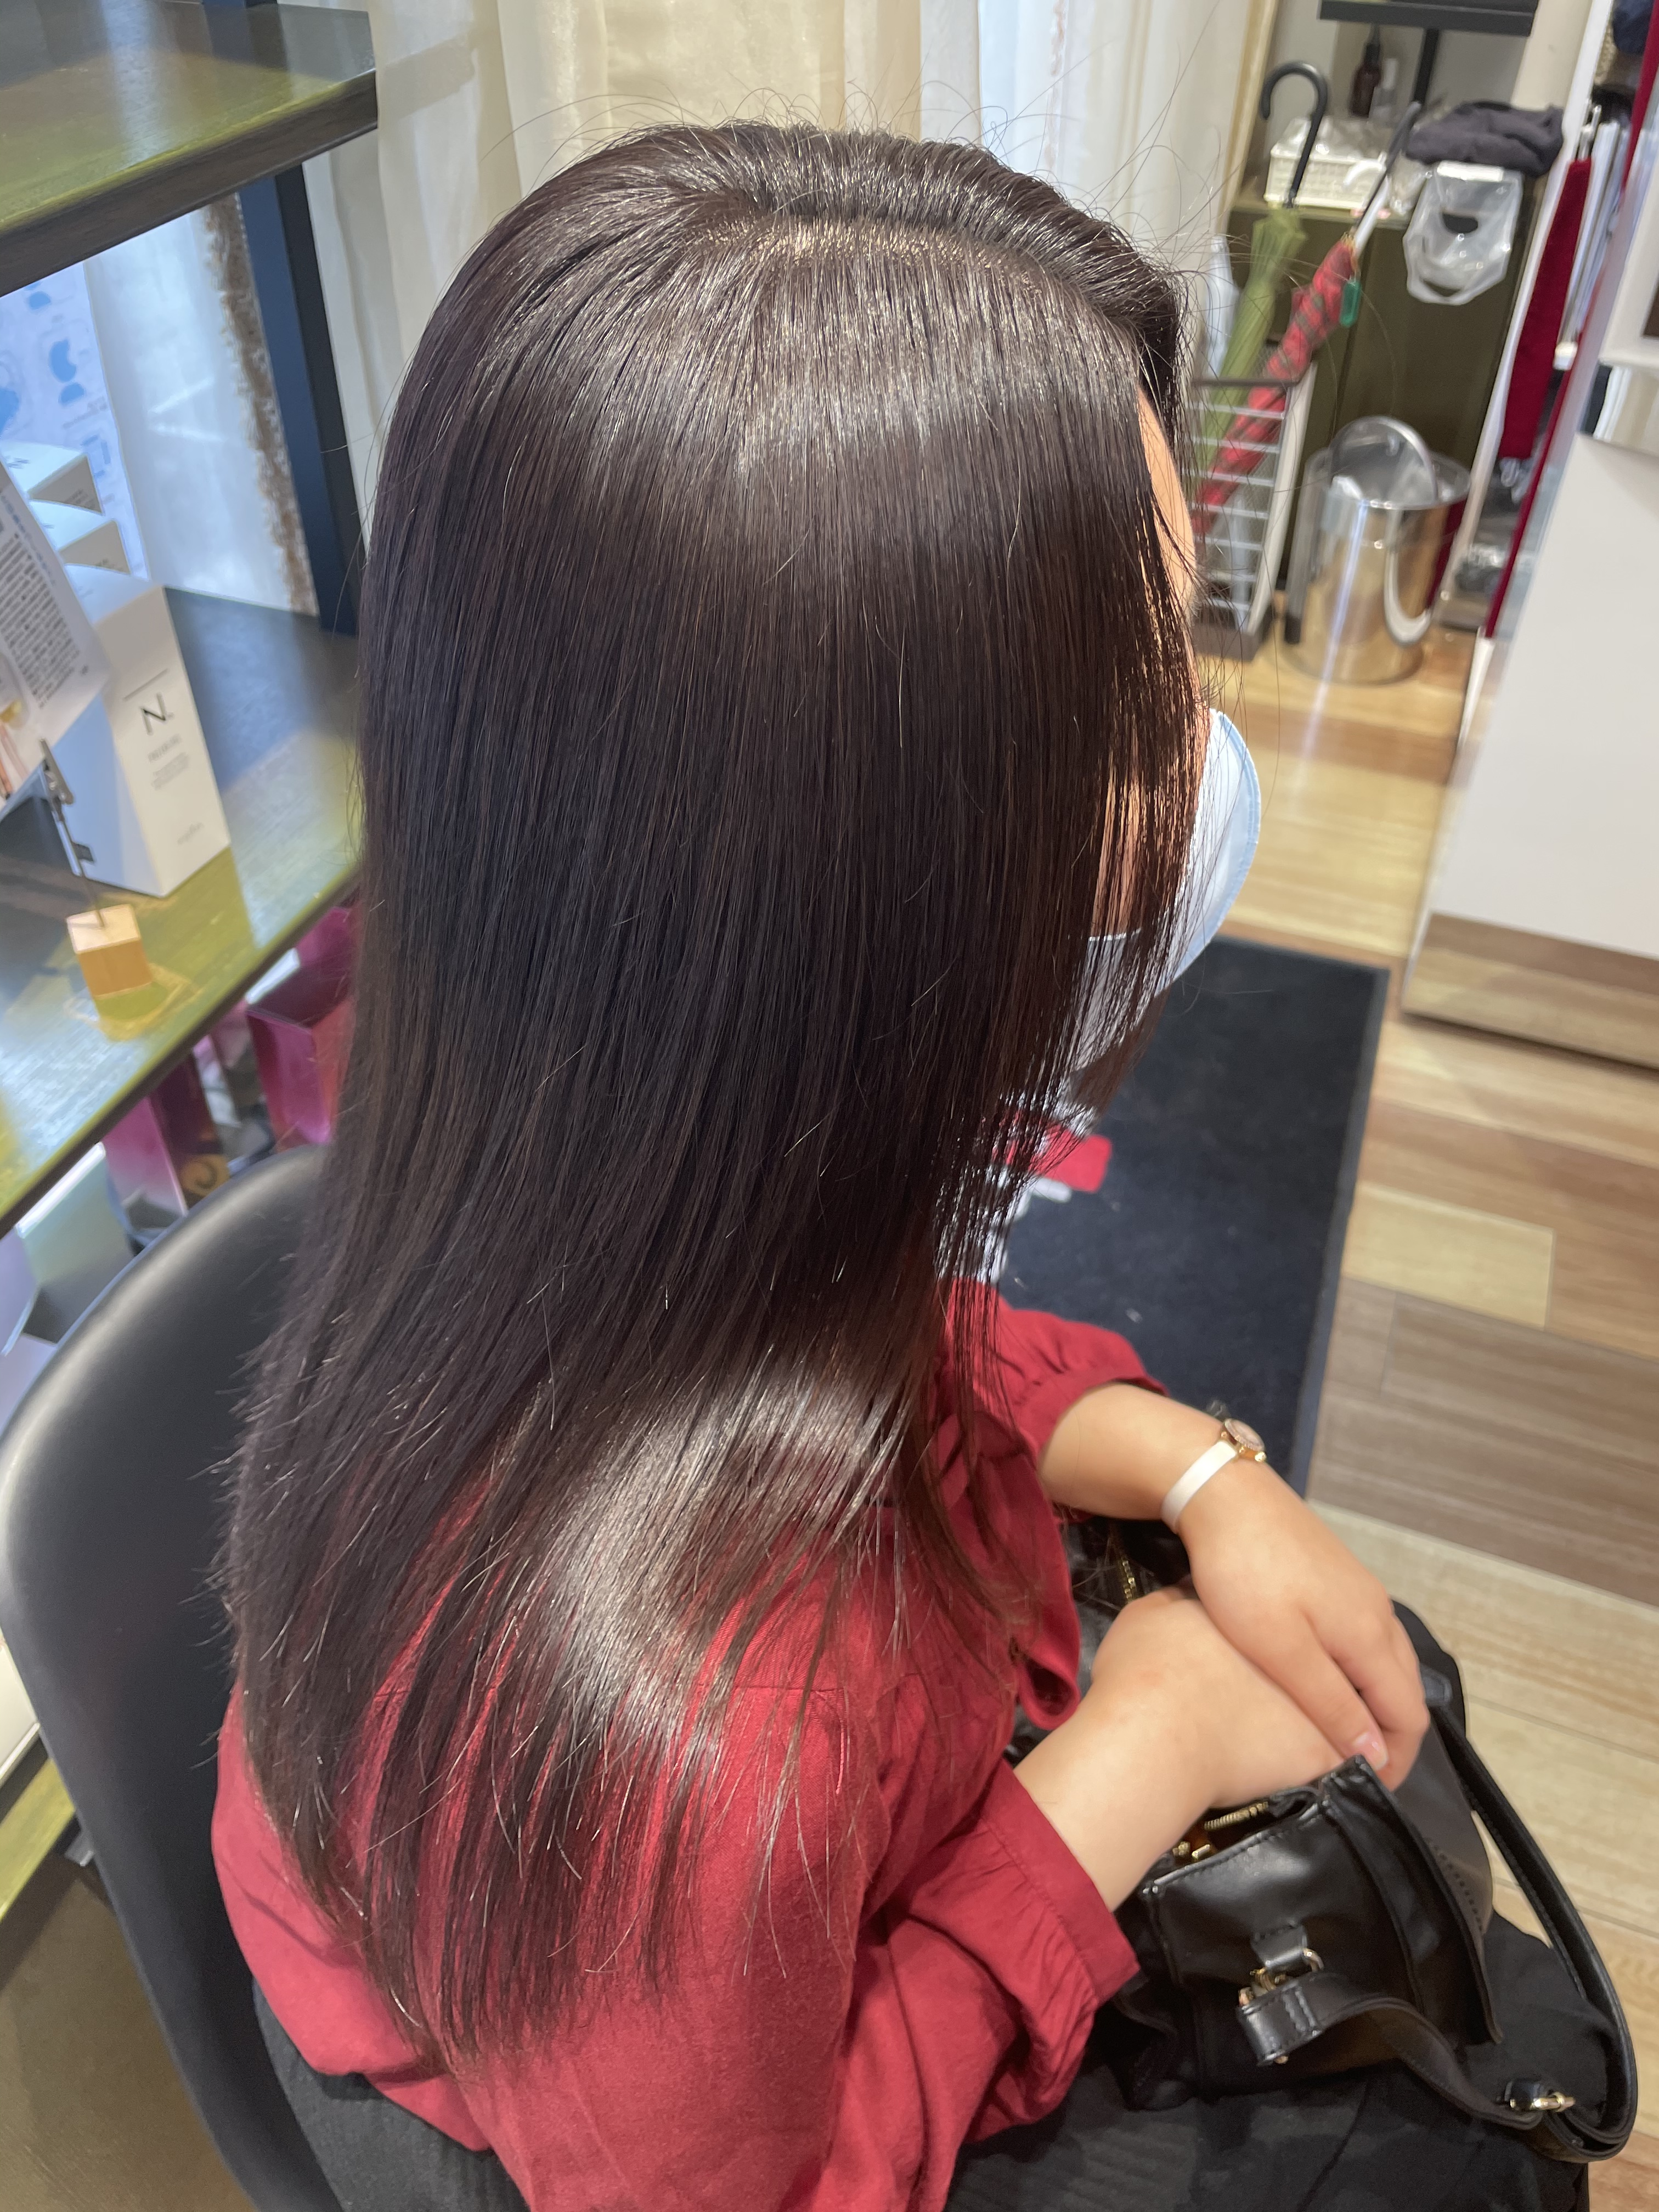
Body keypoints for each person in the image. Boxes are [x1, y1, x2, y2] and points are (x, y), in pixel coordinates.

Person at [212, 126, 1574, 2212]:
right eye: (1138, 700)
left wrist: (1204, 1474)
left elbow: (908, 1349)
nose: (1203, 766)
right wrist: (1129, 1766)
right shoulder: (692, 1727)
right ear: (858, 872)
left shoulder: (635, 1190)